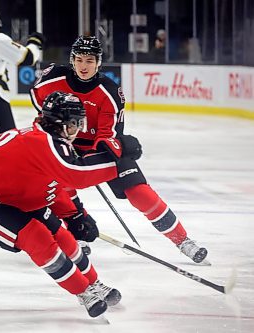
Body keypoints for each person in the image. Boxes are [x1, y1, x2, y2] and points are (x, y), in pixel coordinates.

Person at [0, 92, 143, 317]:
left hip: (14, 194)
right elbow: (77, 175)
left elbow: (52, 185)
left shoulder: (47, 139)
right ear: (58, 124)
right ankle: (83, 291)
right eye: (74, 124)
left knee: (62, 235)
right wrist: (117, 157)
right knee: (37, 237)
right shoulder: (43, 143)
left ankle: (93, 283)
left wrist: (75, 214)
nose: (77, 130)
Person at [30, 36, 208, 264]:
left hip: (99, 149)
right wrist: (58, 135)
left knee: (139, 192)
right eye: (80, 60)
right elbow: (38, 100)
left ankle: (182, 240)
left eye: (90, 60)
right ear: (72, 60)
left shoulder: (110, 91)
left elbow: (107, 135)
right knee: (59, 184)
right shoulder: (53, 77)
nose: (84, 66)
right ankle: (76, 233)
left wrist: (89, 163)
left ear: (99, 62)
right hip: (63, 144)